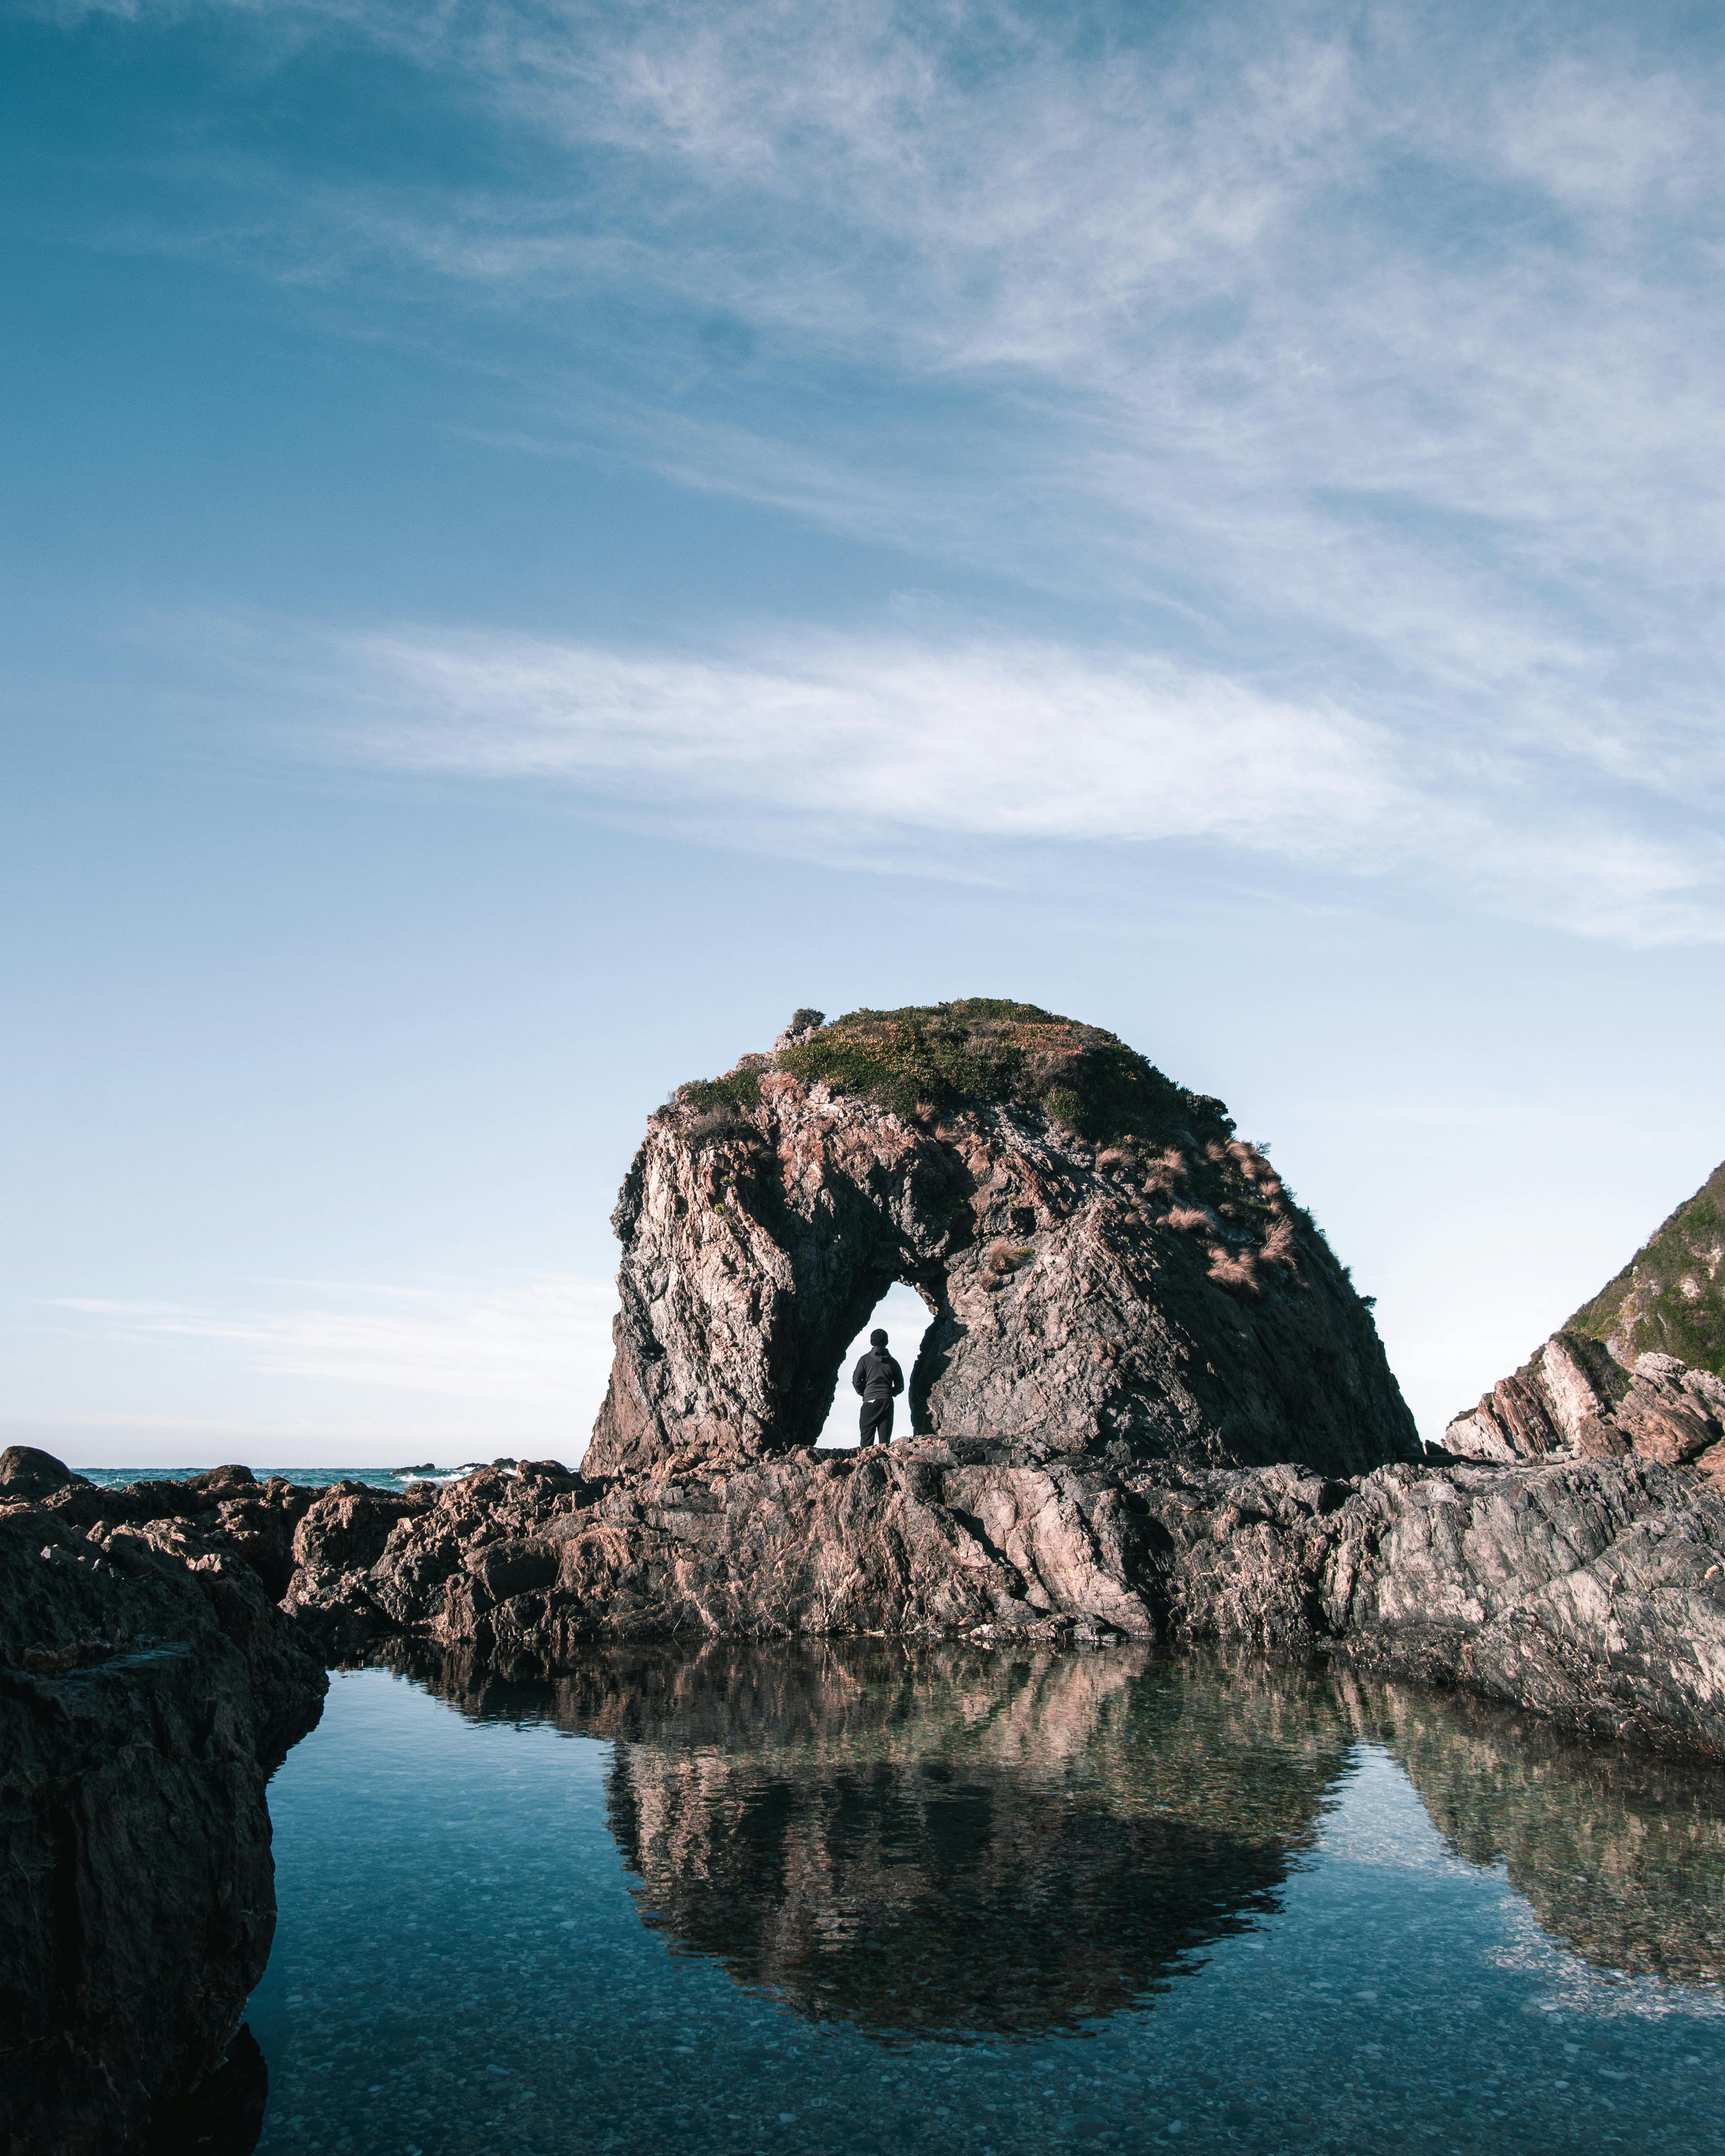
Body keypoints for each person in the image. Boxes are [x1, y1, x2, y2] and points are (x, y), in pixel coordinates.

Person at [852, 1326, 904, 1446]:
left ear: (872, 1342)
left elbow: (856, 1381)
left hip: (870, 1402)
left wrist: (865, 1393)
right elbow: (900, 1387)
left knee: (866, 1442)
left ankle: (867, 1463)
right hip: (887, 1402)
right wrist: (890, 1393)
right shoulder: (893, 1362)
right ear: (886, 1342)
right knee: (885, 1443)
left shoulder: (864, 1360)